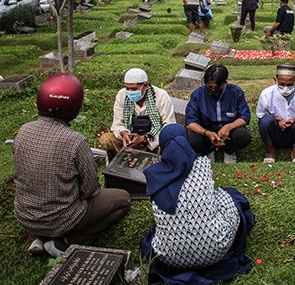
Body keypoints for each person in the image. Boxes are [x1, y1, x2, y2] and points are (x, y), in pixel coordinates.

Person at [13, 73, 131, 258]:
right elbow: (91, 190)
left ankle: (38, 237)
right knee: (122, 199)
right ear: (74, 105)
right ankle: (66, 242)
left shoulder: (23, 131)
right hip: (62, 220)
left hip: (25, 216)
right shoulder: (75, 141)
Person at [140, 124, 255, 284]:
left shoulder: (153, 175)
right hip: (215, 250)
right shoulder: (202, 164)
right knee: (228, 196)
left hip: (169, 257)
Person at [99, 68, 176, 160]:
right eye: (127, 88)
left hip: (154, 141)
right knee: (106, 139)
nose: (130, 92)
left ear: (145, 86)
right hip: (130, 141)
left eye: (134, 89)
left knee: (170, 142)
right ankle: (118, 164)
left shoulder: (161, 96)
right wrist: (124, 133)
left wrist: (145, 138)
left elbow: (169, 125)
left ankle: (157, 163)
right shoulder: (122, 95)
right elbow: (117, 123)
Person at [185, 65, 252, 163]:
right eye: (209, 87)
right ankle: (208, 151)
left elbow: (245, 117)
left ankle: (229, 151)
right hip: (206, 131)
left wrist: (228, 127)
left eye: (215, 88)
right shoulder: (198, 94)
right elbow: (190, 122)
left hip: (229, 132)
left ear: (224, 83)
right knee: (193, 140)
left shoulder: (236, 92)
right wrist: (207, 133)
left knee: (243, 136)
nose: (212, 90)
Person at [256, 63, 295, 163]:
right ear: (275, 81)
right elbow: (260, 115)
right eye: (282, 84)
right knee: (265, 121)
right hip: (275, 132)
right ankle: (270, 150)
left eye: (290, 85)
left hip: (294, 132)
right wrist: (277, 119)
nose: (285, 88)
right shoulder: (266, 94)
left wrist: (294, 120)